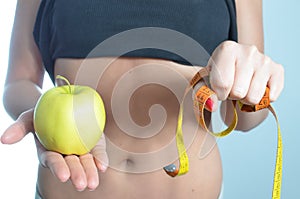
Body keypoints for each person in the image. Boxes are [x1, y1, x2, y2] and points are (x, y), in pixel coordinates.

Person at [1, 0, 284, 198]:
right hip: (67, 188)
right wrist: (40, 115)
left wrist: (255, 83)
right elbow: (19, 81)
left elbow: (247, 118)